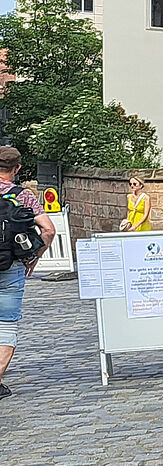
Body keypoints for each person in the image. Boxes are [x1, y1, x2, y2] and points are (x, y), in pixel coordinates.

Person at [0, 147, 56, 400]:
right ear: (17, 169)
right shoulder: (24, 196)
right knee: (7, 323)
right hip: (11, 266)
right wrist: (34, 258)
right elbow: (48, 230)